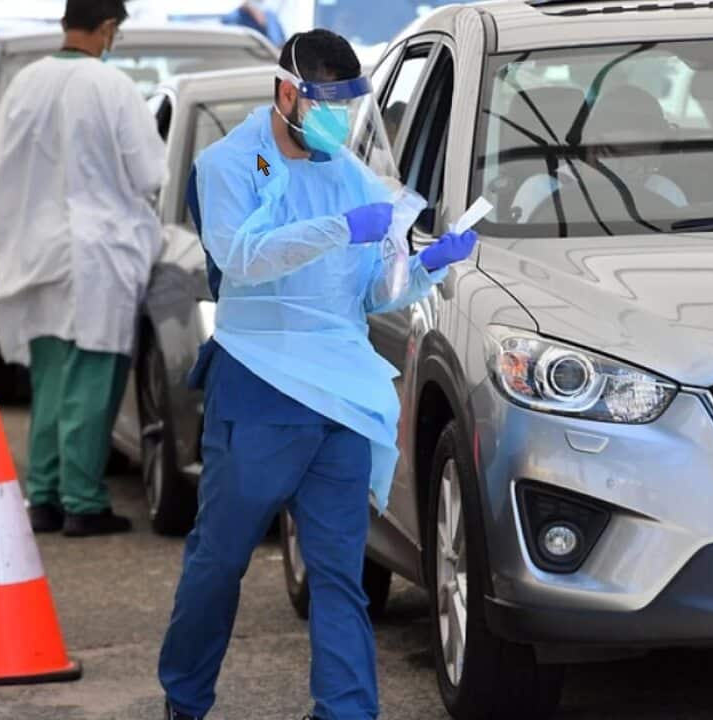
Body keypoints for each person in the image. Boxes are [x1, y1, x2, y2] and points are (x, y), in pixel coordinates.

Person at [158, 29, 477, 720]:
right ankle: (184, 702)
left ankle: (346, 712)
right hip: (260, 387)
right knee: (219, 562)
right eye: (326, 102)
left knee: (340, 575)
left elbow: (369, 294)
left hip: (340, 400)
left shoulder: (352, 175)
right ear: (285, 92)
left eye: (347, 104)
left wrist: (428, 265)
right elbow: (242, 259)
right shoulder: (229, 165)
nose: (338, 118)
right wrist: (340, 228)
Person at [0, 0, 166, 538]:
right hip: (98, 253)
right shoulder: (113, 89)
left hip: (33, 251)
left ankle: (42, 497)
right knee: (91, 378)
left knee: (49, 379)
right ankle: (82, 502)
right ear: (107, 28)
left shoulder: (24, 84)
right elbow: (150, 171)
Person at [221, 0, 286, 46]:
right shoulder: (233, 16)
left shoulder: (269, 15)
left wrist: (263, 23)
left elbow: (278, 42)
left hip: (265, 56)